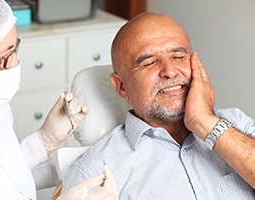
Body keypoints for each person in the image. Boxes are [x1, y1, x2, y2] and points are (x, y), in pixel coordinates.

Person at [62, 12, 255, 199]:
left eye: (179, 57)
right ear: (122, 87)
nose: (170, 71)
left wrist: (205, 123)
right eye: (149, 63)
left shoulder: (239, 125)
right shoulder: (95, 170)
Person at [0, 0, 118, 199]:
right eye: (1, 59)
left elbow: (4, 176)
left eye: (14, 49)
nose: (14, 64)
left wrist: (45, 139)